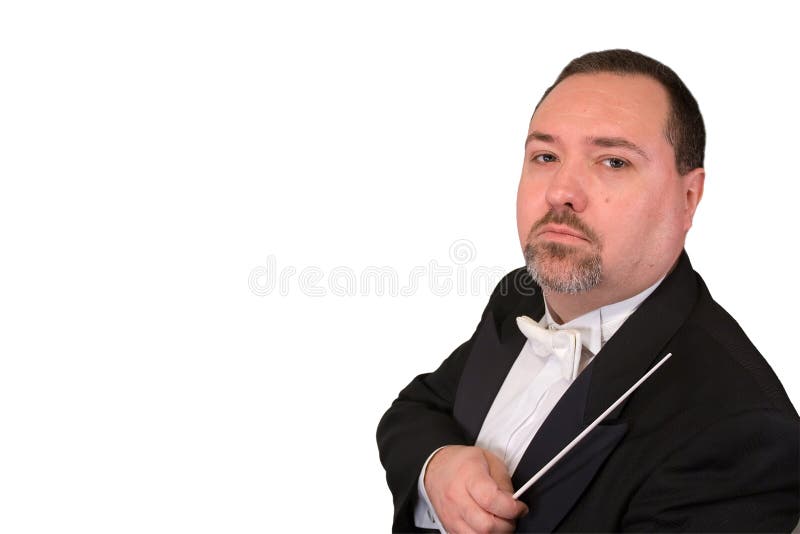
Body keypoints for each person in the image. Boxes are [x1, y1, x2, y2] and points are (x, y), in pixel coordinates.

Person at [376, 49, 800, 533]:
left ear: (689, 199)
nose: (560, 190)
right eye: (546, 156)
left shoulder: (742, 432)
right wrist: (438, 468)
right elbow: (417, 408)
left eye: (613, 161)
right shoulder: (520, 296)